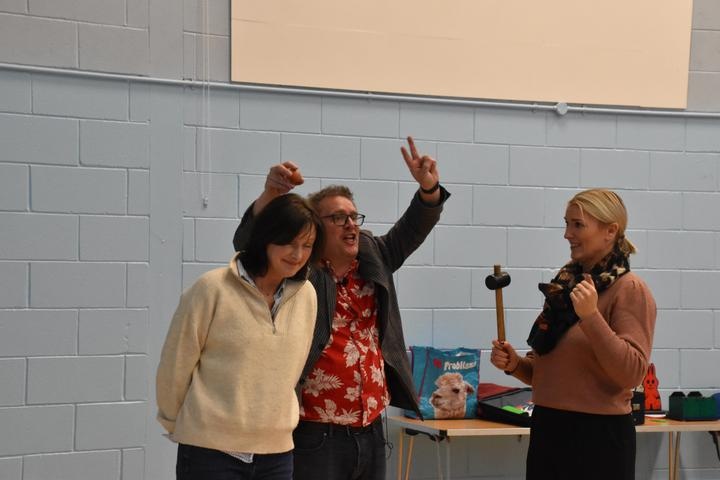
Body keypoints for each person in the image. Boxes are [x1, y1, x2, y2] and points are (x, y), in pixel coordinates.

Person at [232, 137, 450, 480]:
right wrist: (270, 195)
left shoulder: (374, 255)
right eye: (338, 217)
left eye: (353, 216)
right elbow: (248, 245)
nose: (351, 224)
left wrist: (429, 189)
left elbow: (413, 228)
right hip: (316, 431)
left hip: (371, 426)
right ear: (315, 228)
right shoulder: (298, 269)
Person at [490, 188, 656, 480]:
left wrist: (591, 317)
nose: (568, 234)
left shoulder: (629, 289)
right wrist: (515, 364)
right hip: (548, 429)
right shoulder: (564, 288)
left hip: (599, 438)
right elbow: (549, 375)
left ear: (610, 231)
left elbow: (631, 373)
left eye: (578, 225)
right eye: (566, 224)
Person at [156, 193, 324, 480]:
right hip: (210, 451)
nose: (297, 255)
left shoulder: (307, 295)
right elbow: (175, 366)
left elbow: (293, 370)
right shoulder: (211, 289)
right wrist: (180, 424)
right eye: (288, 243)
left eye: (307, 245)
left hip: (276, 453)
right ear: (266, 238)